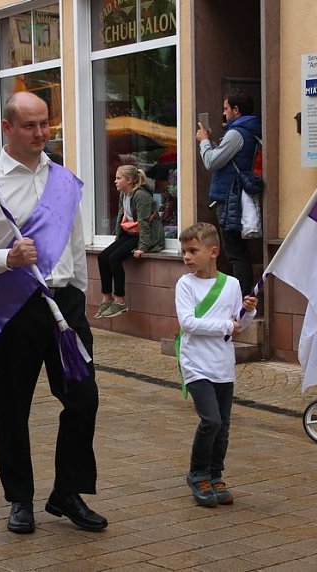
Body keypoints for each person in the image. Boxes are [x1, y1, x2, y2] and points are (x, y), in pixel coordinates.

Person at [0, 91, 106, 534]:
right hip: (15, 308)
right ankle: (19, 498)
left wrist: (79, 298)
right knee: (13, 408)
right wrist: (7, 260)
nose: (40, 134)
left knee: (83, 399)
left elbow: (75, 247)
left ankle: (68, 492)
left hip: (64, 307)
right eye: (30, 126)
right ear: (7, 128)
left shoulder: (63, 179)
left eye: (45, 124)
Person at [175, 222, 257, 507]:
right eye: (184, 251)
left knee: (223, 426)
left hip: (222, 363)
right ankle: (197, 474)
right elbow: (188, 323)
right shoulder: (185, 284)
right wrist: (227, 324)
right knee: (210, 420)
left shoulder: (232, 284)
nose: (187, 257)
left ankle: (215, 473)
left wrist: (248, 311)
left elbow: (239, 325)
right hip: (195, 363)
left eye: (192, 251)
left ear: (213, 252)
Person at [196, 89, 262, 295]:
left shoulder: (236, 133)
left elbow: (211, 161)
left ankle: (241, 299)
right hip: (235, 195)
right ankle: (243, 296)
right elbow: (228, 158)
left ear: (236, 110)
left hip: (230, 198)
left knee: (235, 253)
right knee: (238, 251)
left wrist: (204, 142)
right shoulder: (247, 129)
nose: (224, 114)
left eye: (226, 109)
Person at [95, 165, 164, 318]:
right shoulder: (124, 195)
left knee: (115, 258)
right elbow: (122, 217)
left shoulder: (141, 196)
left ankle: (120, 301)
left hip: (144, 236)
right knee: (103, 256)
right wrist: (117, 241)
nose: (115, 181)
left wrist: (143, 247)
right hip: (130, 233)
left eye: (119, 178)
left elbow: (144, 222)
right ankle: (107, 298)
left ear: (130, 180)